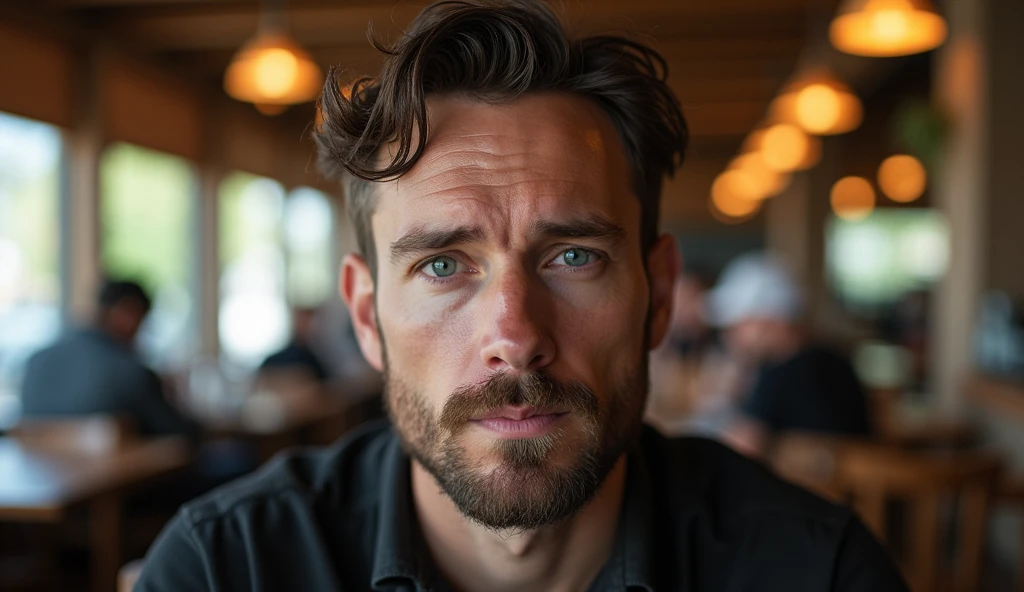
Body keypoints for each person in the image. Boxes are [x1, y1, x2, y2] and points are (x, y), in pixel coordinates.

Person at [135, 2, 906, 590]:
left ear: (660, 294)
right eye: (443, 265)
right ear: (367, 315)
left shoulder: (815, 570)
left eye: (573, 256)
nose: (515, 334)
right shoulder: (224, 568)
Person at [708, 253, 874, 456]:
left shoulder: (783, 373)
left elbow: (737, 450)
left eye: (740, 324)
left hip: (812, 485)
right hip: (850, 485)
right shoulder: (833, 360)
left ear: (770, 321)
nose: (730, 335)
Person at [21, 278, 201, 437]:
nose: (140, 332)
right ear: (128, 312)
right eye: (142, 321)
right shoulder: (131, 373)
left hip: (46, 473)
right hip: (124, 474)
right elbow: (181, 433)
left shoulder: (35, 363)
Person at [258, 307, 331, 384]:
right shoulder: (273, 360)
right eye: (301, 320)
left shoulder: (317, 359)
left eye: (308, 321)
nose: (305, 325)